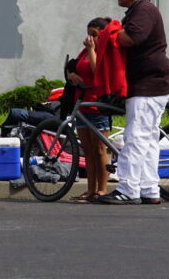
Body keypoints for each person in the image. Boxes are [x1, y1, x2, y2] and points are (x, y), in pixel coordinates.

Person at [98, 0, 169, 205]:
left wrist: (111, 31)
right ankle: (150, 189)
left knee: (135, 138)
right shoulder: (139, 11)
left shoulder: (144, 10)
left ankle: (128, 189)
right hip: (152, 82)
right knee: (148, 140)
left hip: (148, 84)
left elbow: (131, 38)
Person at [64, 17, 127, 202]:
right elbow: (74, 66)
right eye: (89, 34)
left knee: (100, 149)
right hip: (82, 105)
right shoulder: (85, 51)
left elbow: (96, 70)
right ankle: (90, 189)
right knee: (88, 150)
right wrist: (71, 74)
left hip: (97, 106)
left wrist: (92, 49)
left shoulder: (103, 52)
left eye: (95, 35)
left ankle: (102, 189)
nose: (91, 38)